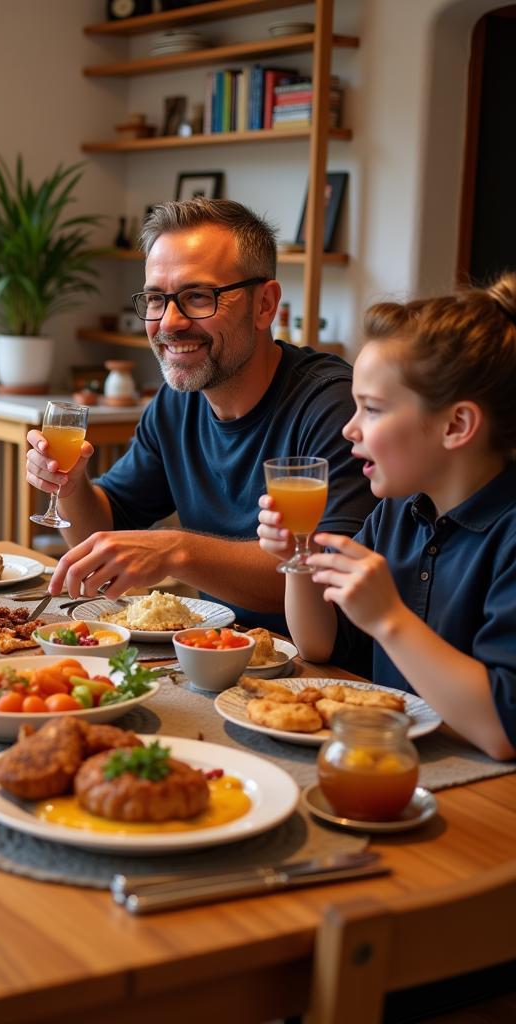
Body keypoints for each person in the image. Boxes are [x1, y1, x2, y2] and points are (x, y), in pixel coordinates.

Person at [27, 198, 376, 631]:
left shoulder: (332, 407)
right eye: (157, 299)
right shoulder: (179, 400)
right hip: (217, 654)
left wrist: (176, 551)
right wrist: (72, 485)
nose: (170, 322)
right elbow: (101, 529)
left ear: (265, 305)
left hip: (322, 674)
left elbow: (326, 574)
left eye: (197, 296)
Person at [258, 278, 516, 760]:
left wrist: (389, 619)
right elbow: (319, 646)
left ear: (456, 425)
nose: (349, 428)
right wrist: (301, 554)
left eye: (371, 409)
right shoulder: (399, 511)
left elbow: (503, 729)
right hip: (390, 759)